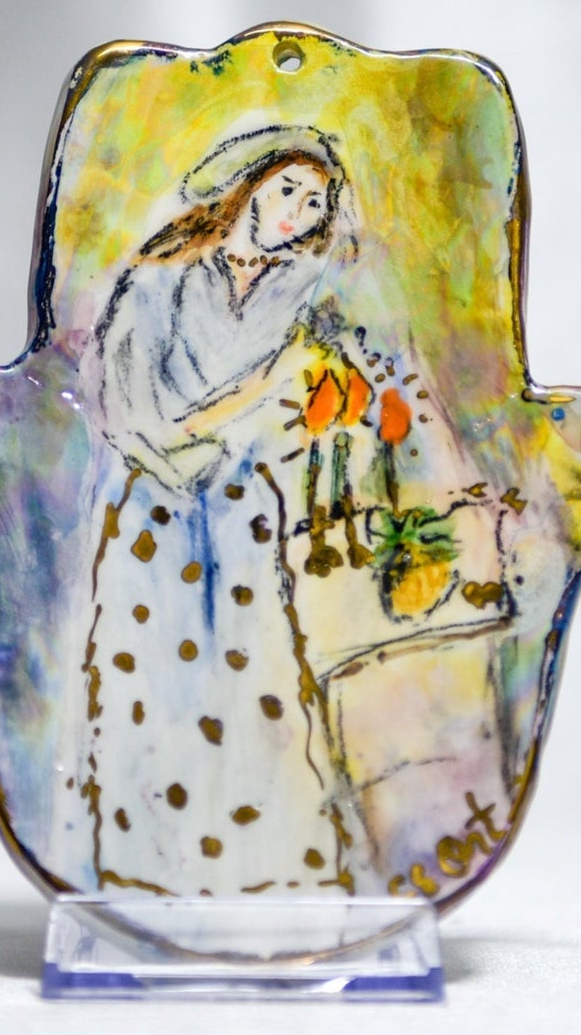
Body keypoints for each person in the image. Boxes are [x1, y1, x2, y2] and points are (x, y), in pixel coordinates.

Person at [72, 124, 363, 897]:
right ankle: (146, 877)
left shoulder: (301, 292)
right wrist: (257, 395)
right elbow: (139, 416)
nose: (298, 209)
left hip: (243, 508)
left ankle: (268, 873)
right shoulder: (158, 279)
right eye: (287, 188)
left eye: (315, 201)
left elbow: (304, 414)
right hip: (153, 508)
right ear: (249, 186)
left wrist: (296, 399)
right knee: (151, 682)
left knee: (255, 678)